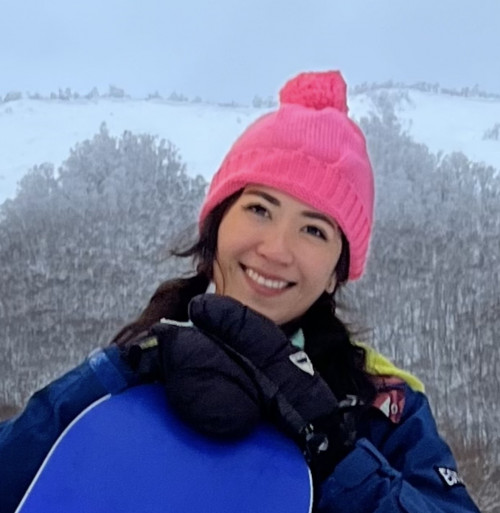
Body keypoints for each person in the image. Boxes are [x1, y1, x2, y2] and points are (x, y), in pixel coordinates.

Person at [0, 71, 480, 513]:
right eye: (259, 210)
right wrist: (111, 373)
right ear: (216, 225)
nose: (275, 250)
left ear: (337, 271)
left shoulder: (383, 406)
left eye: (314, 231)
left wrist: (335, 450)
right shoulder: (140, 361)